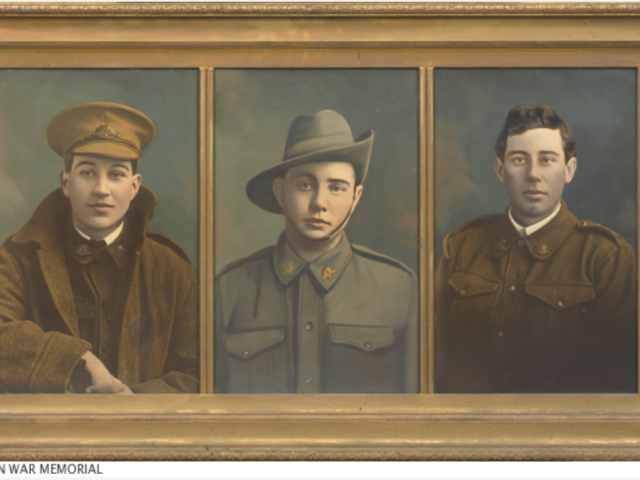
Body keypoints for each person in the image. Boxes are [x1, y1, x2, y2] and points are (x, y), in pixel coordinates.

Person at [435, 104, 637, 393]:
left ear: (569, 170)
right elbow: (435, 358)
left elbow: (614, 379)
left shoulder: (606, 257)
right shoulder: (461, 245)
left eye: (547, 160)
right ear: (499, 169)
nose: (533, 174)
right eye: (519, 159)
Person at [0, 102, 199, 394]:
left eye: (116, 174)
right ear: (65, 182)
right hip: (45, 432)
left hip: (143, 434)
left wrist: (135, 400)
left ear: (134, 187)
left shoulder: (173, 270)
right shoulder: (20, 258)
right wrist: (77, 358)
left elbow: (198, 373)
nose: (101, 189)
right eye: (87, 172)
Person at [215, 109, 418, 393]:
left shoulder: (398, 287)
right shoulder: (229, 289)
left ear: (355, 197)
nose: (319, 203)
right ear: (280, 190)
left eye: (336, 187)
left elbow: (414, 414)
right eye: (305, 185)